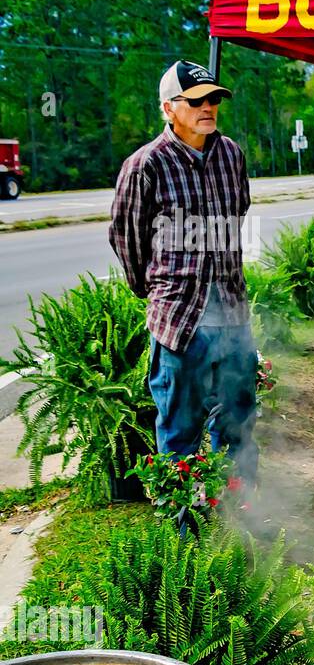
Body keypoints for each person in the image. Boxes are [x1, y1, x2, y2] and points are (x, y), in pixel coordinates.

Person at [109, 60, 258, 482]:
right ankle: (184, 530)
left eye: (212, 99)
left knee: (238, 421)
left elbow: (237, 214)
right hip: (180, 324)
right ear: (168, 108)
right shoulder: (145, 165)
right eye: (194, 100)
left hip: (231, 315)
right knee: (180, 431)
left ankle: (242, 511)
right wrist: (158, 291)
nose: (207, 107)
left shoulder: (231, 155)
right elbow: (127, 236)